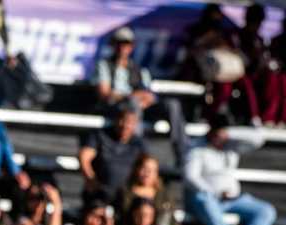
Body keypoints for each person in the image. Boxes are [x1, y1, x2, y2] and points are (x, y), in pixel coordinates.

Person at [183, 114, 275, 225]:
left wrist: (230, 133)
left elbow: (259, 138)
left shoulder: (232, 144)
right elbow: (190, 177)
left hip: (233, 199)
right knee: (204, 200)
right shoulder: (196, 148)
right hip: (208, 199)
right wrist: (215, 192)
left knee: (266, 211)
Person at [95, 27, 188, 164]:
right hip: (116, 107)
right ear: (113, 45)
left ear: (131, 47)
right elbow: (105, 94)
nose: (122, 47)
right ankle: (136, 149)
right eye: (119, 43)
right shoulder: (104, 65)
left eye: (126, 44)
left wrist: (140, 99)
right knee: (133, 102)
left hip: (139, 106)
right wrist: (132, 96)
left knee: (172, 104)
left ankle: (182, 153)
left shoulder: (138, 69)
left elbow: (149, 95)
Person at [181, 4, 259, 124]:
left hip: (223, 69)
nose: (216, 19)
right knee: (223, 88)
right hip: (203, 70)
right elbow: (189, 51)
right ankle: (208, 116)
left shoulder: (224, 33)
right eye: (213, 16)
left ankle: (253, 116)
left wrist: (222, 45)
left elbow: (234, 49)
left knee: (245, 83)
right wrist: (206, 42)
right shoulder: (195, 31)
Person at [79, 105, 149, 203]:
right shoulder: (100, 136)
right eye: (122, 120)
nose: (125, 125)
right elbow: (84, 158)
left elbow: (148, 165)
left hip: (127, 195)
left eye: (130, 122)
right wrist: (91, 179)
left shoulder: (139, 143)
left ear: (135, 125)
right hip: (100, 192)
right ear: (116, 120)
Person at [238, 5, 280, 127]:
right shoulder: (238, 36)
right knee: (247, 83)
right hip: (242, 72)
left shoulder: (259, 39)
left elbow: (264, 58)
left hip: (258, 72)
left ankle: (269, 117)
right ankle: (253, 116)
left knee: (274, 80)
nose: (257, 25)